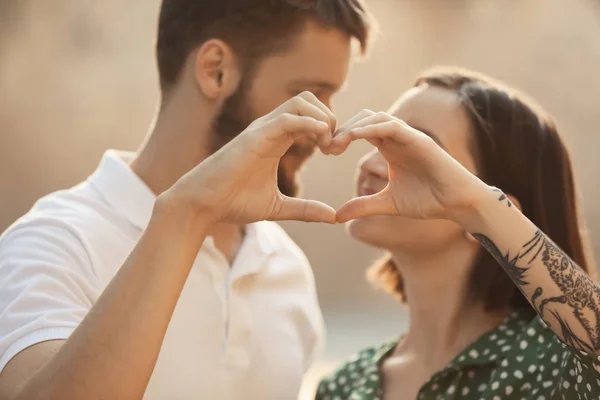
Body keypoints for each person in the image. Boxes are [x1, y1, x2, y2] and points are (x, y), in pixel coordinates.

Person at [0, 1, 374, 399]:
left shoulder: (286, 269)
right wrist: (185, 214)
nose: (327, 125)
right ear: (216, 70)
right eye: (313, 93)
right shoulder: (53, 243)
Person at [317, 67, 600, 399]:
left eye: (414, 150)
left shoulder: (552, 362)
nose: (369, 164)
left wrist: (480, 210)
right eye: (380, 140)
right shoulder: (343, 385)